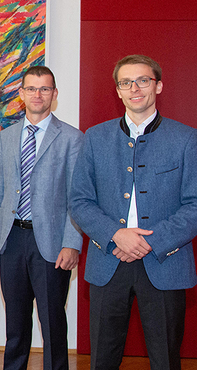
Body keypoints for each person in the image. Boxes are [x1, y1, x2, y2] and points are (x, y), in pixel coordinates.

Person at [70, 54, 197, 370]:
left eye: (143, 80)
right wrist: (116, 235)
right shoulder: (95, 137)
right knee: (102, 360)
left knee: (165, 360)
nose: (134, 88)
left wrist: (149, 242)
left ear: (158, 86)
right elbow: (80, 201)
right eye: (126, 82)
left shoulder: (186, 139)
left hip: (165, 262)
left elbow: (194, 205)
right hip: (108, 260)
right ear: (118, 90)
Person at [0, 66, 84, 370]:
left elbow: (77, 198)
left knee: (53, 323)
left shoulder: (72, 138)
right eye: (31, 88)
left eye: (44, 89)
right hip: (11, 240)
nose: (37, 94)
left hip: (52, 243)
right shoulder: (7, 137)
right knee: (15, 323)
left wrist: (72, 243)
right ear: (21, 94)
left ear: (54, 94)